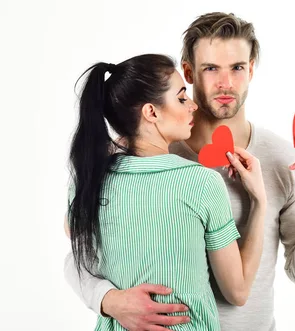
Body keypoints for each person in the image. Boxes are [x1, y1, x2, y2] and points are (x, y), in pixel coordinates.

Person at [64, 12, 295, 331]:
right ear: (190, 72)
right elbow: (78, 253)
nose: (225, 83)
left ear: (250, 70)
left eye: (237, 67)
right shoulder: (131, 154)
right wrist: (109, 301)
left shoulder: (280, 160)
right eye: (211, 69)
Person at [65, 53, 269, 330]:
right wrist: (259, 202)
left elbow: (76, 258)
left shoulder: (89, 179)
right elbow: (238, 291)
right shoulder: (200, 182)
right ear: (151, 112)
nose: (193, 105)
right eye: (182, 97)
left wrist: (109, 300)